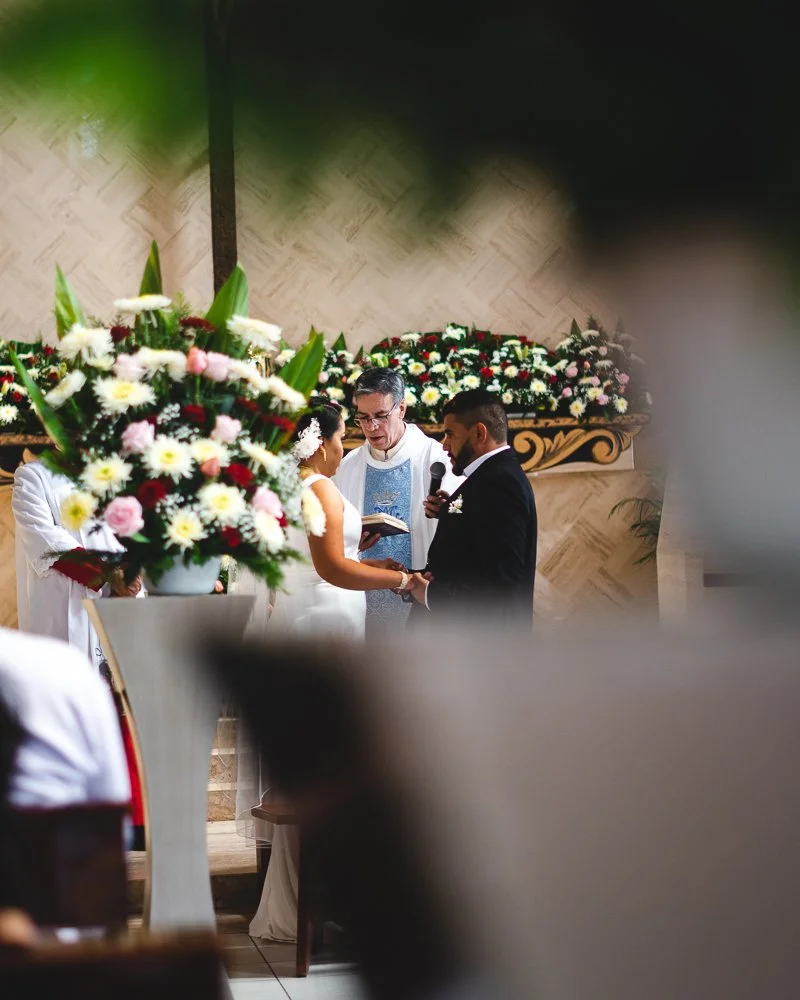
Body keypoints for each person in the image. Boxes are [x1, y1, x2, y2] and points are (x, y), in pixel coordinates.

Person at [251, 397, 415, 943]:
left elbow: (320, 560)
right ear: (322, 441)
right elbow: (330, 568)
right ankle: (312, 900)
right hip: (323, 625)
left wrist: (366, 560)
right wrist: (401, 581)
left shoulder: (292, 488)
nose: (345, 444)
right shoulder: (319, 489)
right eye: (343, 434)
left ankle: (306, 899)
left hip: (312, 617)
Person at [12, 458, 145, 845]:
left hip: (123, 604)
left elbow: (137, 530)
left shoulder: (114, 470)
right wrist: (108, 574)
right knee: (71, 715)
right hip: (68, 609)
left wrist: (134, 571)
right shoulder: (33, 477)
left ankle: (135, 819)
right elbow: (46, 542)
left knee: (126, 710)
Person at [334, 368, 461, 634]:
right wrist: (351, 543)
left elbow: (462, 529)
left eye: (380, 416)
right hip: (361, 603)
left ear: (401, 408)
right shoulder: (347, 467)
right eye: (363, 418)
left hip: (423, 602)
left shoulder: (436, 458)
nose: (371, 427)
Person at [408, 389, 537, 622]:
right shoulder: (491, 476)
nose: (445, 445)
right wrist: (450, 511)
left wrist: (428, 593)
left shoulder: (500, 482)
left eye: (450, 434)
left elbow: (501, 580)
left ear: (478, 433)